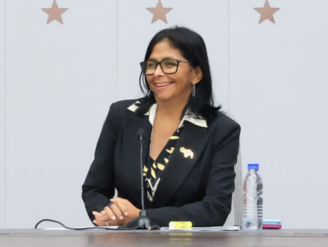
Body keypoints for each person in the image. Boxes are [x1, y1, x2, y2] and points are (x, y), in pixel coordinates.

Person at [82, 26, 240, 227]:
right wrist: (109, 213)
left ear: (196, 74)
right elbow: (94, 189)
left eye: (169, 64)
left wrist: (141, 216)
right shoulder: (122, 115)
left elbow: (215, 208)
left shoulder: (221, 130)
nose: (157, 73)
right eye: (151, 65)